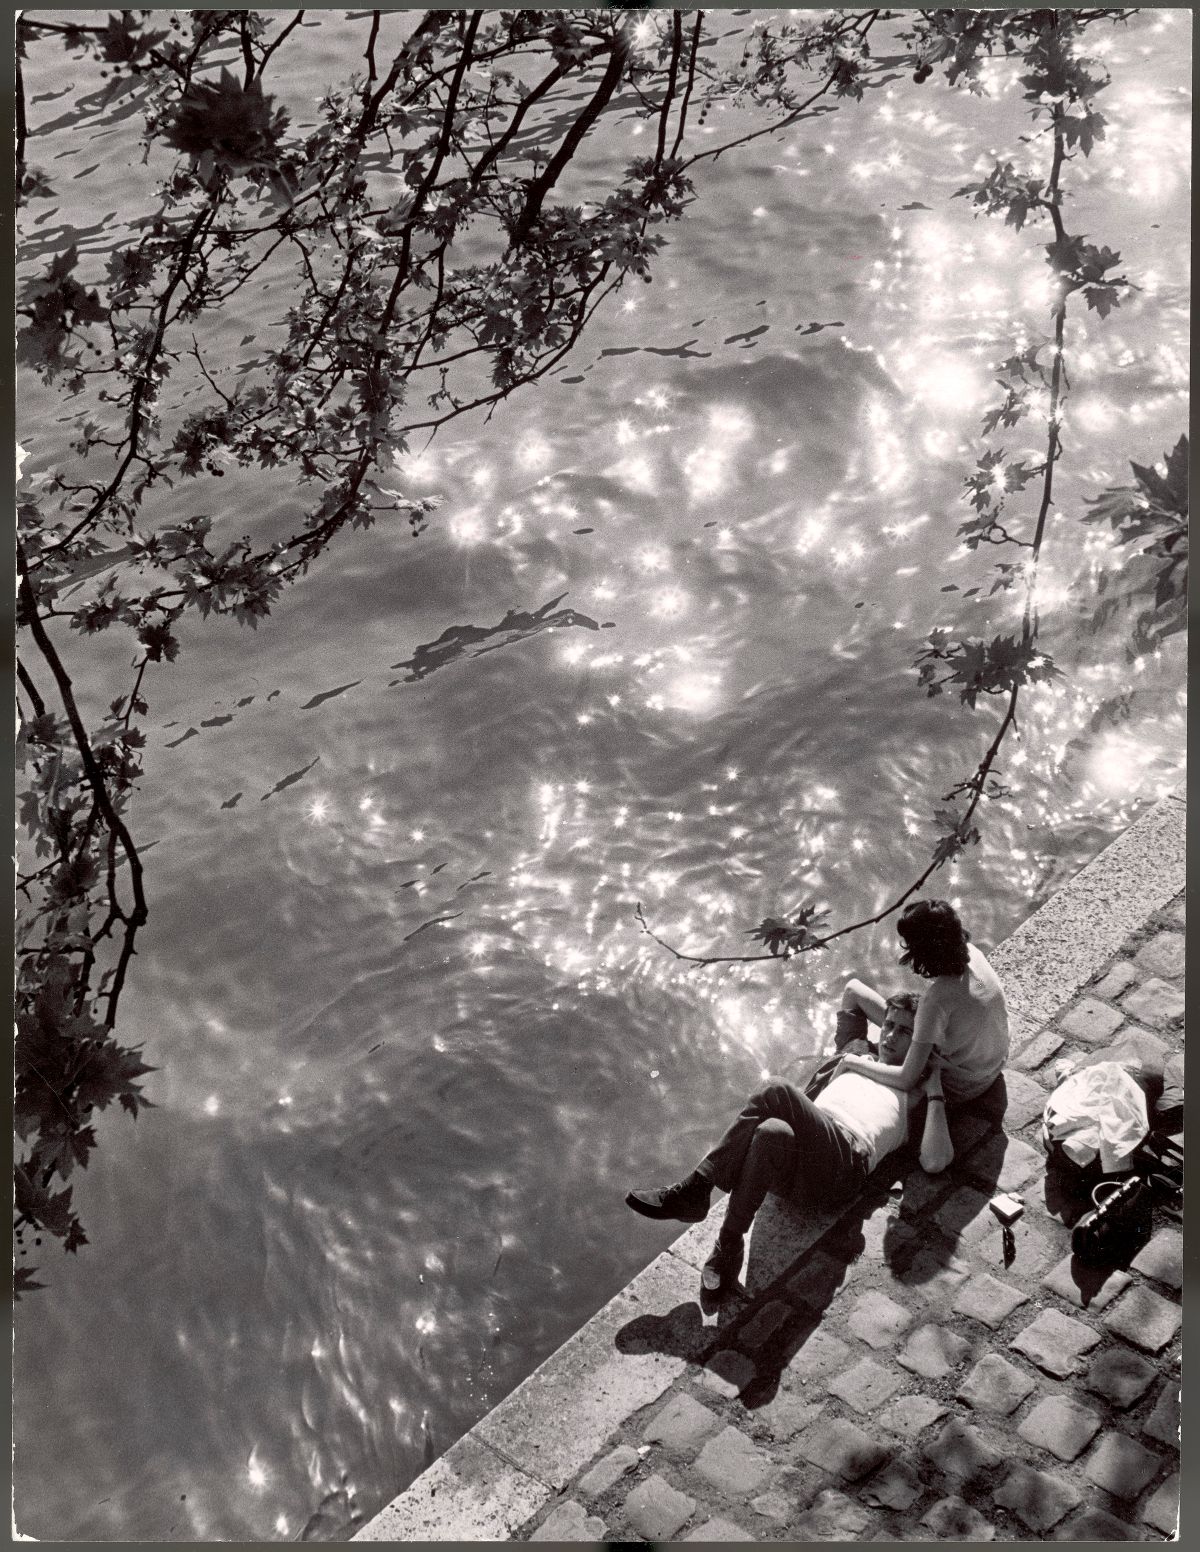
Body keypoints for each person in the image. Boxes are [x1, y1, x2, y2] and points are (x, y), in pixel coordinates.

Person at [625, 993, 928, 1293]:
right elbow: (852, 994)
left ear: (919, 1043)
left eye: (905, 1032)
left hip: (845, 1164)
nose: (890, 1035)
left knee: (775, 1088)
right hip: (803, 1171)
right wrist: (857, 1057)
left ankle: (697, 1187)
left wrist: (929, 1065)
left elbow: (936, 1158)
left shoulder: (914, 1092)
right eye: (888, 1024)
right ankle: (728, 1246)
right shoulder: (858, 1050)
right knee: (771, 1133)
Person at [836, 898, 1009, 1105]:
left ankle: (843, 1060)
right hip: (993, 1062)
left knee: (854, 1000)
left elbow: (906, 1079)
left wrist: (851, 1062)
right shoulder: (973, 954)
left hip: (963, 1085)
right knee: (854, 989)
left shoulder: (936, 1001)